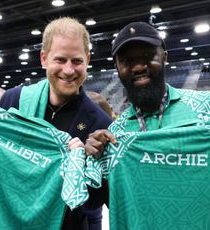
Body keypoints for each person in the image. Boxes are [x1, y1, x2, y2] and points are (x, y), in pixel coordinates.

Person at [0, 17, 112, 230]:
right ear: (44, 58)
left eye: (77, 61)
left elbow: (100, 201)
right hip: (7, 220)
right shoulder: (13, 101)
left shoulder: (100, 123)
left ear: (88, 59)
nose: (69, 70)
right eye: (60, 60)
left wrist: (88, 167)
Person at [85, 22, 210, 229]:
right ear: (117, 67)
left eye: (148, 56)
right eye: (127, 61)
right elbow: (109, 201)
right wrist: (95, 159)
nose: (138, 67)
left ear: (164, 57)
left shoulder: (205, 108)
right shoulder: (117, 134)